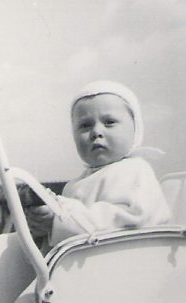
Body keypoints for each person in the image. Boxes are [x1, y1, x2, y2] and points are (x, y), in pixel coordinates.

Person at [25, 80, 171, 249]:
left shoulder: (135, 170)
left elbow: (129, 222)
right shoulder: (74, 185)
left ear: (135, 128)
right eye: (85, 125)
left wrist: (60, 220)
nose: (96, 132)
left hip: (131, 261)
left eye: (109, 122)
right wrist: (42, 227)